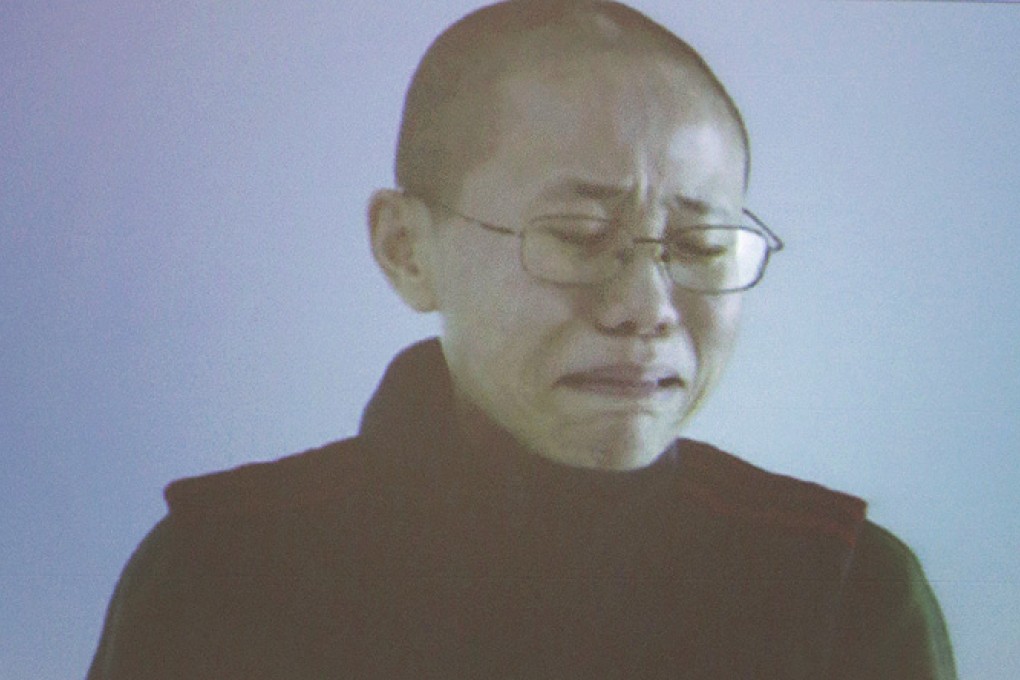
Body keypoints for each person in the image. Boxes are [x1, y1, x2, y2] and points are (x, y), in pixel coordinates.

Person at [87, 1, 956, 678]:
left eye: (698, 246)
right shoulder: (224, 572)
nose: (645, 308)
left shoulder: (840, 590)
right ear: (407, 250)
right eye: (579, 235)